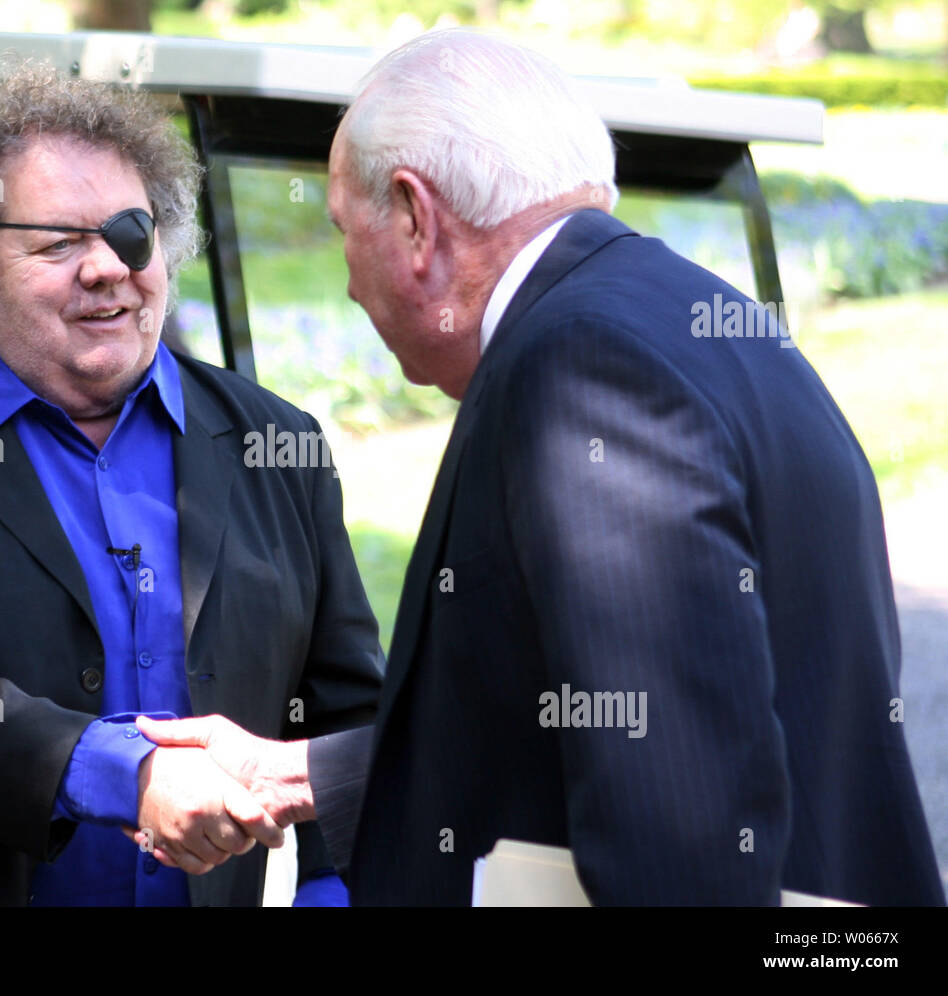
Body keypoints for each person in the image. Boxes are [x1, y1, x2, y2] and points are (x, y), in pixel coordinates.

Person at [138, 28, 945, 906]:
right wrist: (297, 773)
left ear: (415, 217)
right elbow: (580, 714)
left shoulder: (582, 370)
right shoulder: (702, 318)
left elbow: (678, 826)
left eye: (343, 232)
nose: (346, 285)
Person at [0, 62, 383, 906]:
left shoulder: (275, 443)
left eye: (132, 234)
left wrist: (333, 895)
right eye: (58, 243)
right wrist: (121, 775)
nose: (107, 268)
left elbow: (348, 708)